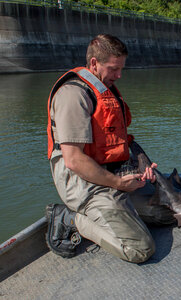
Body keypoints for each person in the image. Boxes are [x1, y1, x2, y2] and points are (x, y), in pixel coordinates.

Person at [46, 34, 172, 263]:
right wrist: (116, 183)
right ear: (94, 63)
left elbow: (121, 141)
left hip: (111, 173)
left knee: (167, 214)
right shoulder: (73, 95)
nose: (119, 75)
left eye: (121, 68)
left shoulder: (106, 89)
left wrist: (140, 165)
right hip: (84, 182)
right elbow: (73, 160)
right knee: (140, 249)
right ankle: (69, 217)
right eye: (114, 69)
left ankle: (120, 212)